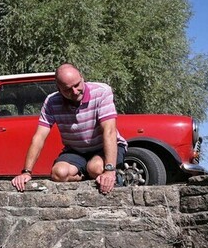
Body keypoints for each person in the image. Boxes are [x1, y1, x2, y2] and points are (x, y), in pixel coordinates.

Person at [11, 63, 127, 194]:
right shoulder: (51, 101)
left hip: (103, 148)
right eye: (67, 89)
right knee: (58, 173)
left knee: (96, 168)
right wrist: (27, 172)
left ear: (82, 78)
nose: (75, 92)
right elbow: (39, 137)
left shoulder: (101, 92)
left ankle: (114, 176)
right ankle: (86, 175)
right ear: (59, 89)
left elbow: (109, 131)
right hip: (76, 151)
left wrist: (109, 171)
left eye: (77, 85)